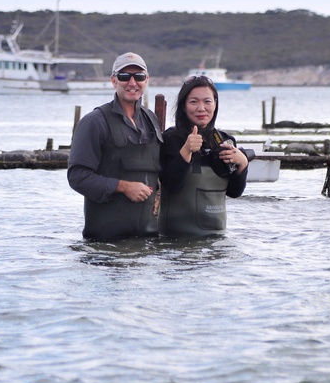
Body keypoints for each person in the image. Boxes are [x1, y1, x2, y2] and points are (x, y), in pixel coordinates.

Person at [67, 52, 163, 241]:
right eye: (124, 76)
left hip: (148, 244)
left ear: (147, 80)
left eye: (139, 76)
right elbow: (77, 177)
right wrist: (123, 187)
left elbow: (158, 168)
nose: (132, 82)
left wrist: (160, 192)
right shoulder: (94, 122)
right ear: (113, 80)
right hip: (106, 246)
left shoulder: (152, 120)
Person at [158, 75, 252, 237]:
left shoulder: (224, 141)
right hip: (176, 239)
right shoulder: (171, 138)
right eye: (194, 102)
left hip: (216, 239)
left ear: (215, 104)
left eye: (207, 101)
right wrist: (186, 150)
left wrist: (243, 164)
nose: (201, 108)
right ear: (183, 106)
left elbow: (234, 192)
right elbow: (171, 185)